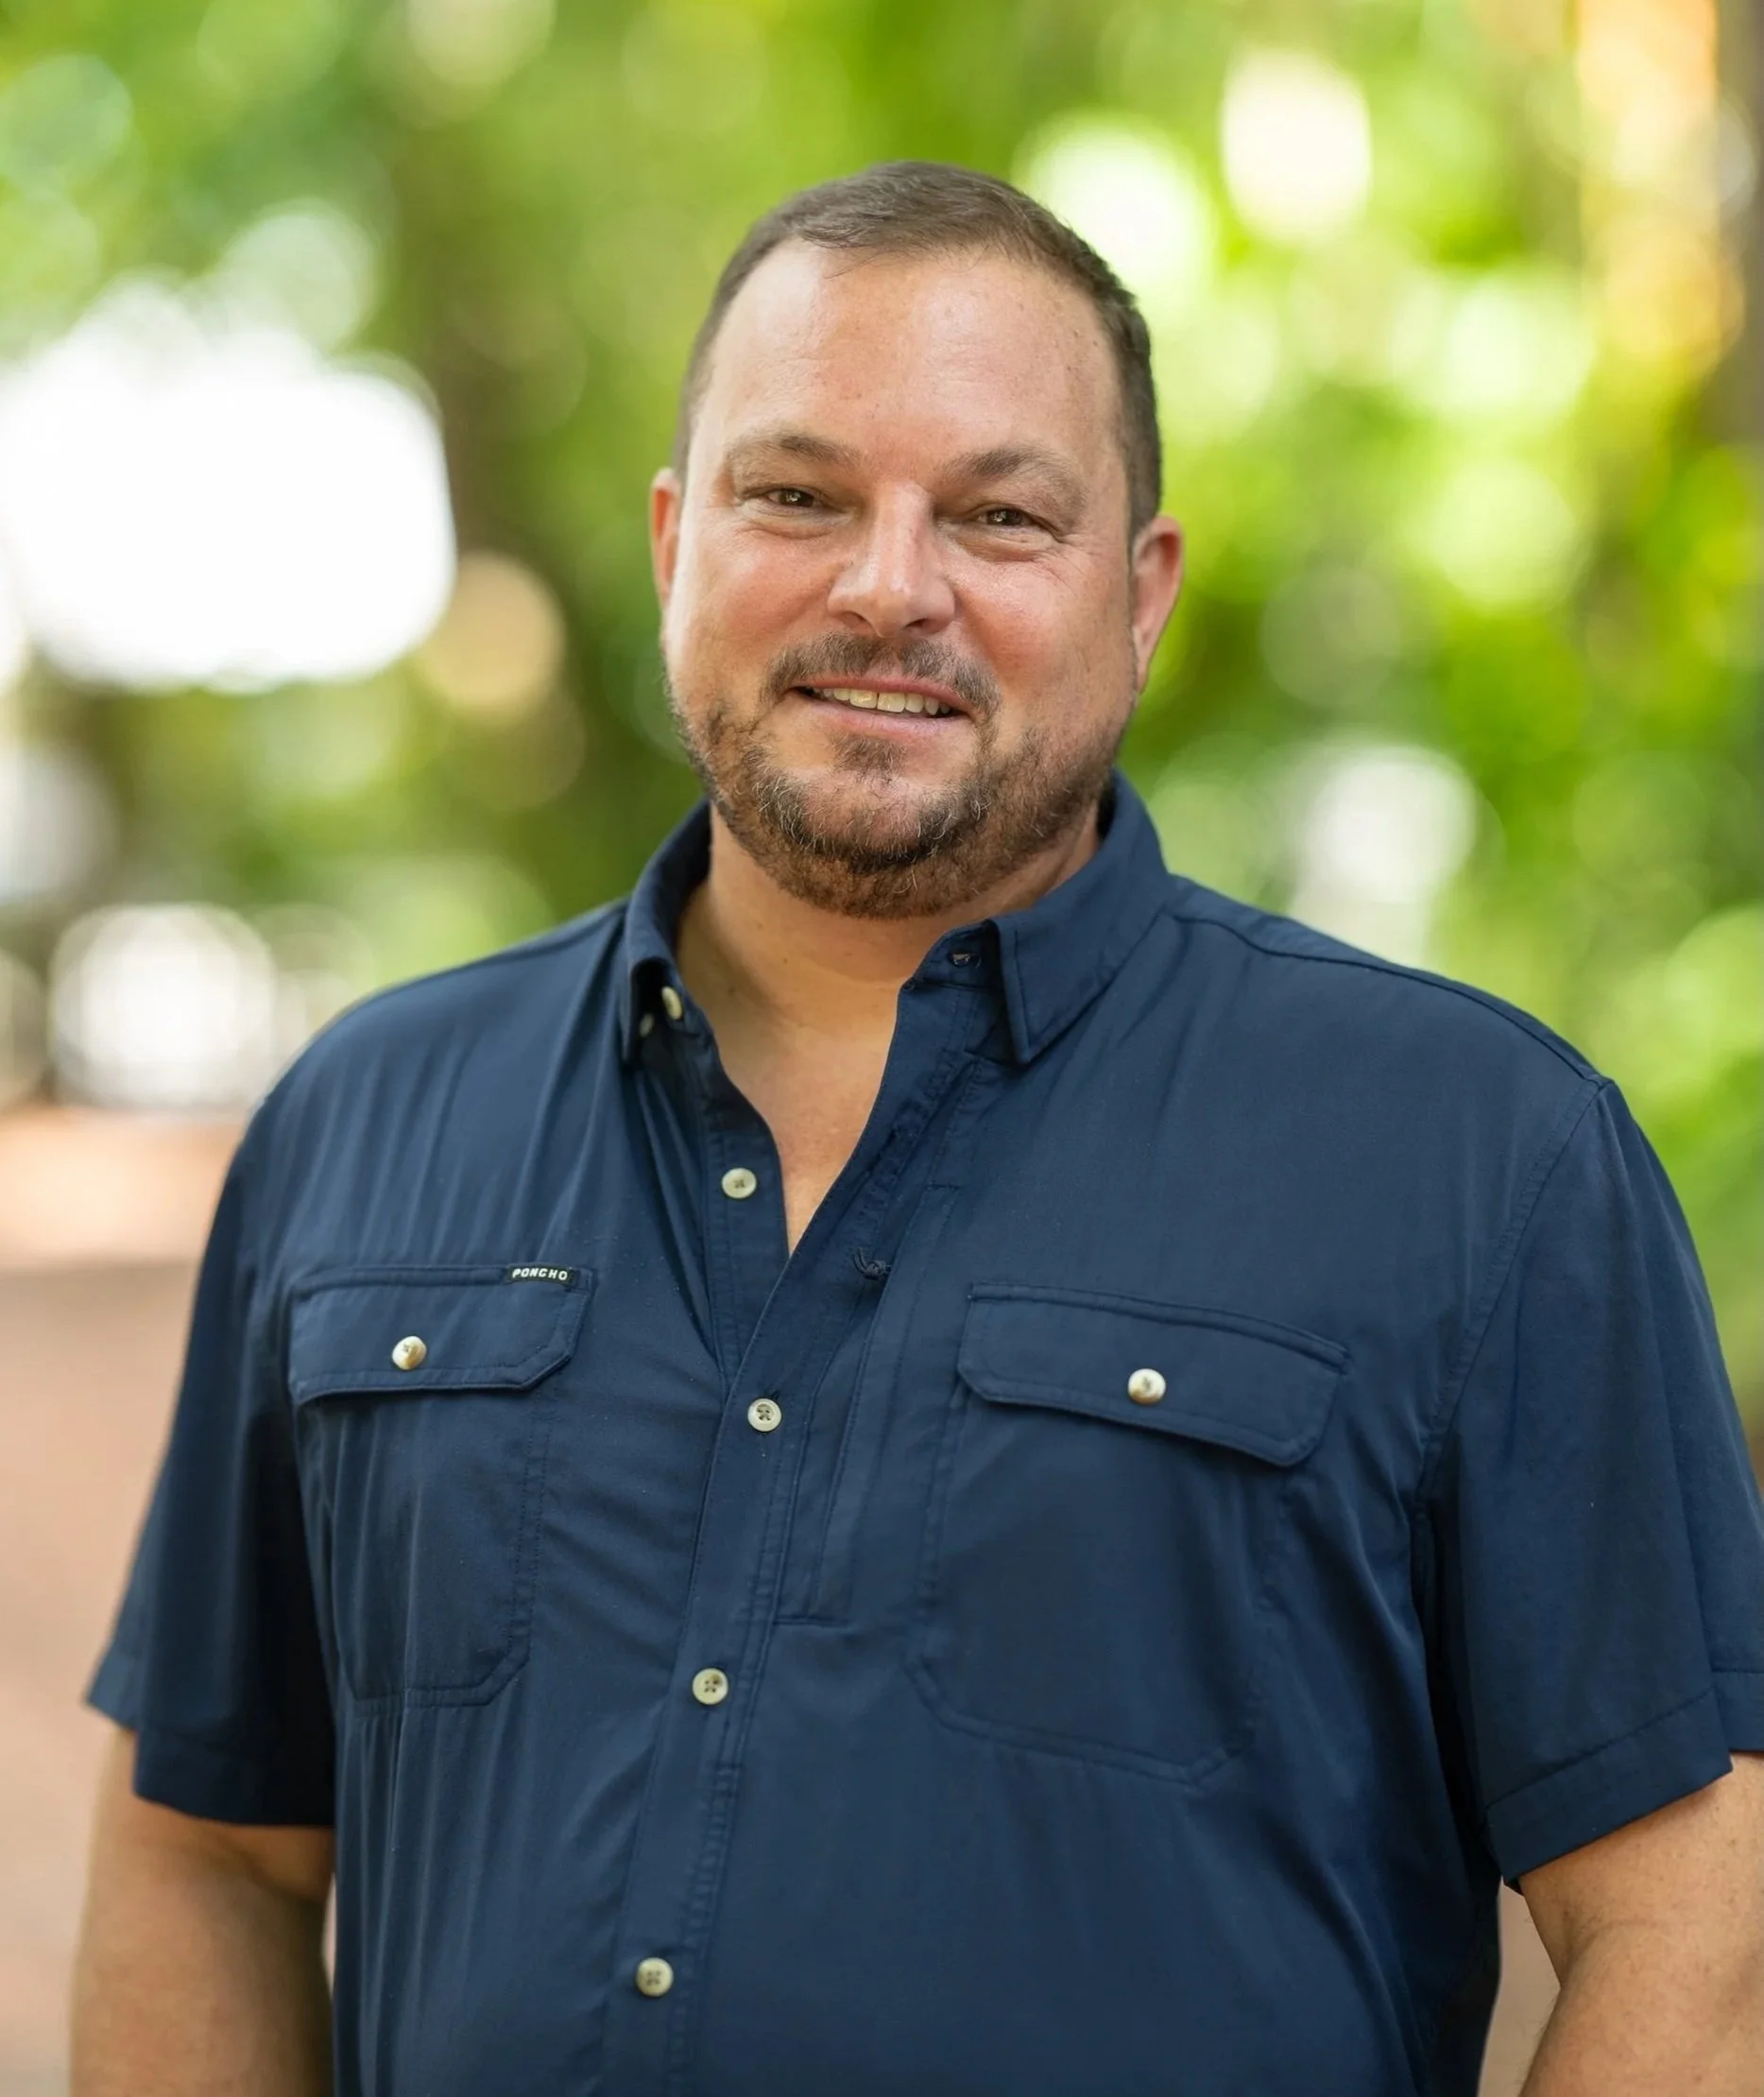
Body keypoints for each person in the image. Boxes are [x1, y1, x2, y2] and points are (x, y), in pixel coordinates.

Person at [73, 162, 1764, 2097]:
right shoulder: (357, 1127)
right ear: (670, 544)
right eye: (795, 495)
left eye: (999, 513)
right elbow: (204, 1839)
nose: (889, 581)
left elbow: (1698, 1926)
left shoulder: (1487, 1160)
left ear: (1140, 596)